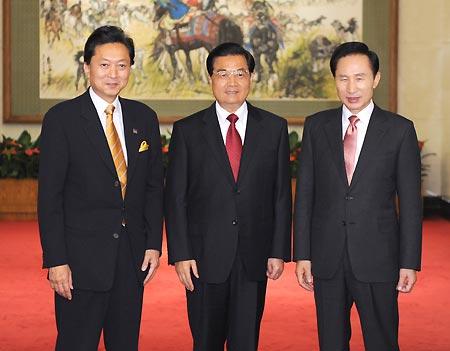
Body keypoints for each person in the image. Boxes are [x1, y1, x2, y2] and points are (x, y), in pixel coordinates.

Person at [38, 25, 164, 351]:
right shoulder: (62, 119)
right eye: (104, 64)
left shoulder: (144, 117)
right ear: (86, 67)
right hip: (80, 260)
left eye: (122, 65)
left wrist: (153, 244)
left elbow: (152, 188)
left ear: (130, 69)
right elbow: (50, 197)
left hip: (131, 256)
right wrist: (56, 260)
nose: (113, 74)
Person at [293, 41, 422, 350]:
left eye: (360, 77)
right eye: (343, 78)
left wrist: (409, 262)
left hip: (379, 258)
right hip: (327, 257)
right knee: (332, 342)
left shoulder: (400, 130)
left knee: (382, 340)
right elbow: (306, 194)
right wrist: (303, 254)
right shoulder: (316, 127)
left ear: (376, 79)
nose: (352, 87)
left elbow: (411, 203)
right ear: (334, 80)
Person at [164, 42, 291, 351]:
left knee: (246, 340)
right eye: (223, 74)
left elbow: (281, 196)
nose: (232, 82)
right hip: (203, 258)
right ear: (210, 78)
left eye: (240, 73)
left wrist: (278, 251)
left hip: (254, 256)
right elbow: (175, 197)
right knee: (205, 340)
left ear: (251, 78)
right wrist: (180, 253)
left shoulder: (274, 128)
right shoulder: (187, 130)